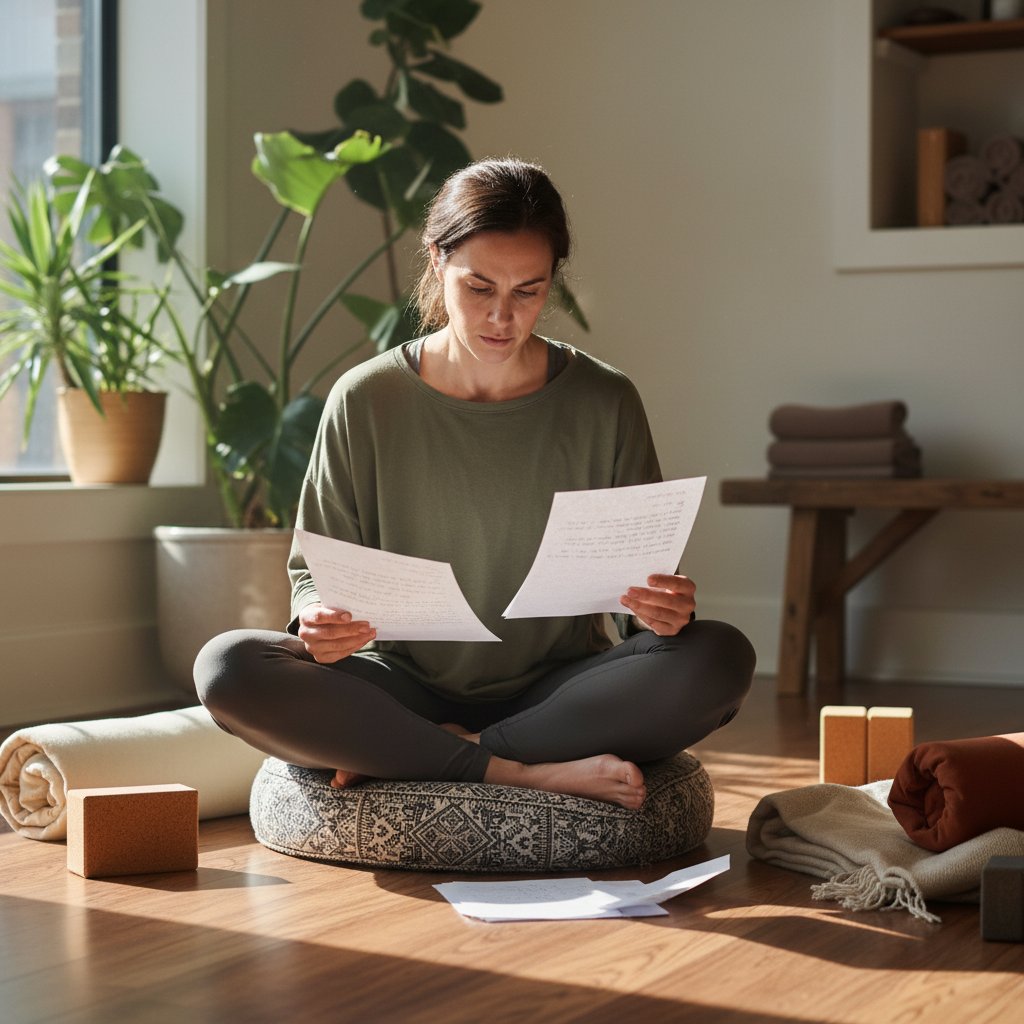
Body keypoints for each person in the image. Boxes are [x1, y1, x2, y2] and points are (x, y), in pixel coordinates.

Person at [195, 157, 755, 810]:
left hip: (560, 689)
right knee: (229, 668)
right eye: (479, 287)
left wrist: (660, 609)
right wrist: (321, 618)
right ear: (437, 262)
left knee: (719, 658)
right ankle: (519, 770)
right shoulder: (365, 400)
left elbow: (638, 600)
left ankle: (422, 751)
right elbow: (314, 574)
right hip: (399, 681)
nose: (502, 317)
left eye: (529, 290)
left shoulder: (605, 400)